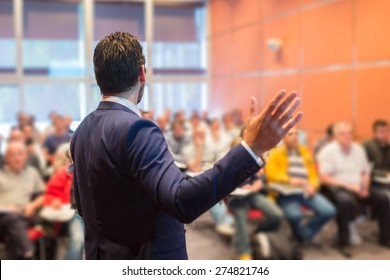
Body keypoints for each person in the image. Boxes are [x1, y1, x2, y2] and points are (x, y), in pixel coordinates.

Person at [70, 32, 302, 260]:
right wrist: (251, 148)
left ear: (98, 77)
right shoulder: (138, 130)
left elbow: (83, 205)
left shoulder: (81, 131)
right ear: (142, 73)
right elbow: (181, 201)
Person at [318, 122, 390, 257]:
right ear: (335, 136)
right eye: (343, 133)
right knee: (345, 201)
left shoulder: (358, 149)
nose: (347, 136)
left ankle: (385, 237)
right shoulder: (328, 151)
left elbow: (365, 172)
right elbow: (323, 178)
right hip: (339, 187)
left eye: (349, 133)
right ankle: (343, 241)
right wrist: (349, 186)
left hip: (358, 186)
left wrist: (365, 187)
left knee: (383, 198)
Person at [266, 127, 336, 246]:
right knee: (295, 215)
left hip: (306, 190)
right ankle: (300, 237)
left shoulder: (305, 151)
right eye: (290, 134)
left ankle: (302, 235)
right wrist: (289, 180)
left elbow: (313, 174)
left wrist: (313, 186)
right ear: (283, 138)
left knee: (329, 211)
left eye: (296, 134)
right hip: (286, 192)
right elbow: (270, 173)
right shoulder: (276, 153)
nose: (295, 137)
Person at [228, 137, 283, 260]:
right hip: (236, 198)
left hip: (251, 195)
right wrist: (237, 187)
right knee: (241, 219)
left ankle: (257, 233)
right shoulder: (228, 166)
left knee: (276, 215)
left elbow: (258, 182)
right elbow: (223, 186)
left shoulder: (250, 163)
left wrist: (252, 188)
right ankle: (244, 252)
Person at [0, 141, 45, 259]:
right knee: (12, 219)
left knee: (14, 229)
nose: (17, 158)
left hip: (23, 216)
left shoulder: (32, 173)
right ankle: (29, 255)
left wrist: (33, 205)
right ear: (6, 158)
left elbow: (44, 195)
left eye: (20, 154)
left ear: (25, 156)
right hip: (2, 217)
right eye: (12, 155)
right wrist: (6, 208)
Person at [363, 120, 390, 198]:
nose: (385, 134)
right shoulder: (367, 146)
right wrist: (384, 174)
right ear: (374, 132)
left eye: (386, 131)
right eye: (381, 131)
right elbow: (365, 169)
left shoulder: (388, 147)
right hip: (373, 182)